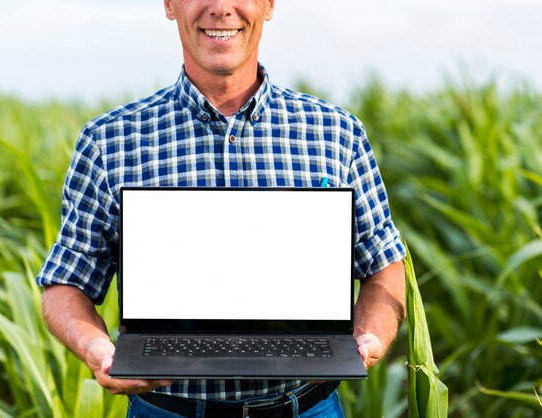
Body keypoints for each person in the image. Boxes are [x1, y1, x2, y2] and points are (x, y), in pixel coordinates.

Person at [37, 0, 406, 416]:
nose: (220, 8)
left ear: (267, 5)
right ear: (171, 5)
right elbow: (66, 283)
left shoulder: (336, 133)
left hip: (307, 409)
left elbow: (383, 267)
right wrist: (95, 347)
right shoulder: (111, 141)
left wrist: (370, 335)